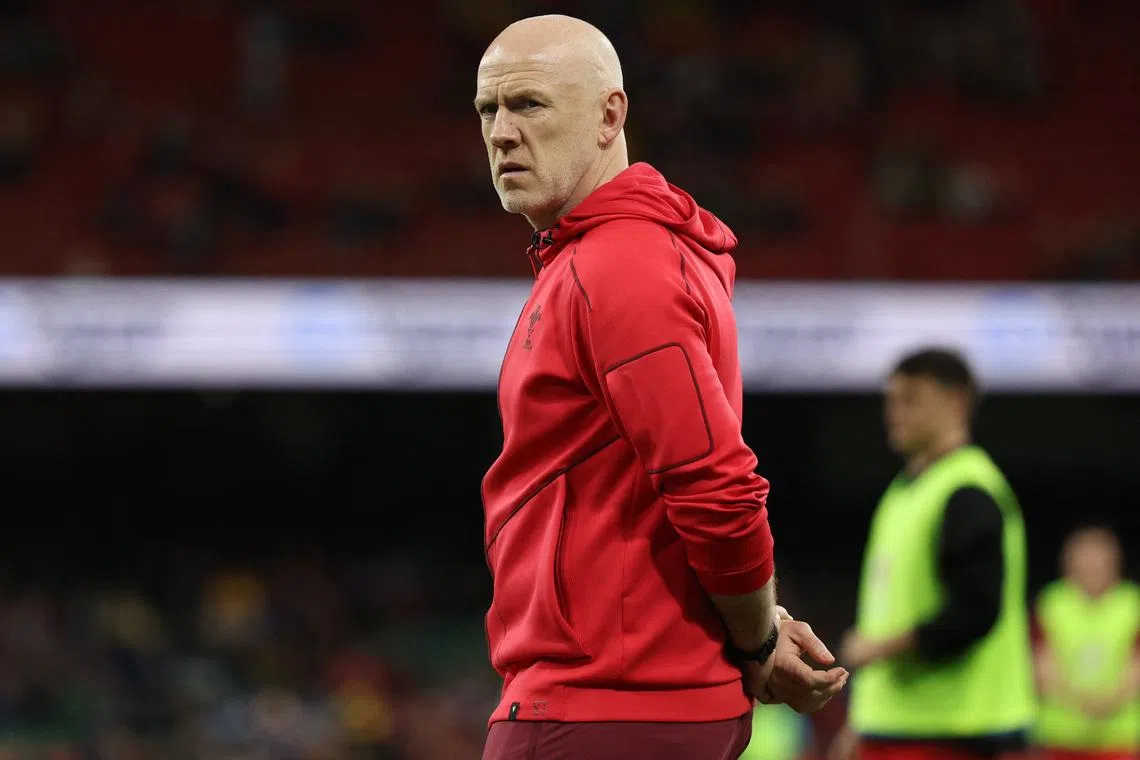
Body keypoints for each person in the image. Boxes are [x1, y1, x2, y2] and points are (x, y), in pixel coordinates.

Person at [474, 14, 847, 760]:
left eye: (530, 104)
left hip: (602, 708)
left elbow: (714, 485)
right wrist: (758, 629)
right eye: (489, 110)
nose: (502, 133)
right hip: (616, 700)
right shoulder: (611, 257)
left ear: (611, 114)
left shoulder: (620, 267)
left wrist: (760, 639)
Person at [829, 348, 1036, 760]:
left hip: (954, 731)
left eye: (911, 399)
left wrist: (877, 649)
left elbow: (974, 612)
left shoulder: (968, 490)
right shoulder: (906, 491)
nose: (894, 411)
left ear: (956, 401)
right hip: (897, 727)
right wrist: (862, 720)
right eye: (891, 400)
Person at [1033, 525, 1139, 760]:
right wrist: (1081, 703)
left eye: (1100, 559)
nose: (1092, 566)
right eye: (1084, 558)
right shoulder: (1051, 602)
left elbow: (1136, 667)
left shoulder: (1133, 602)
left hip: (1120, 742)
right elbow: (1042, 666)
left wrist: (1106, 704)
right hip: (1058, 740)